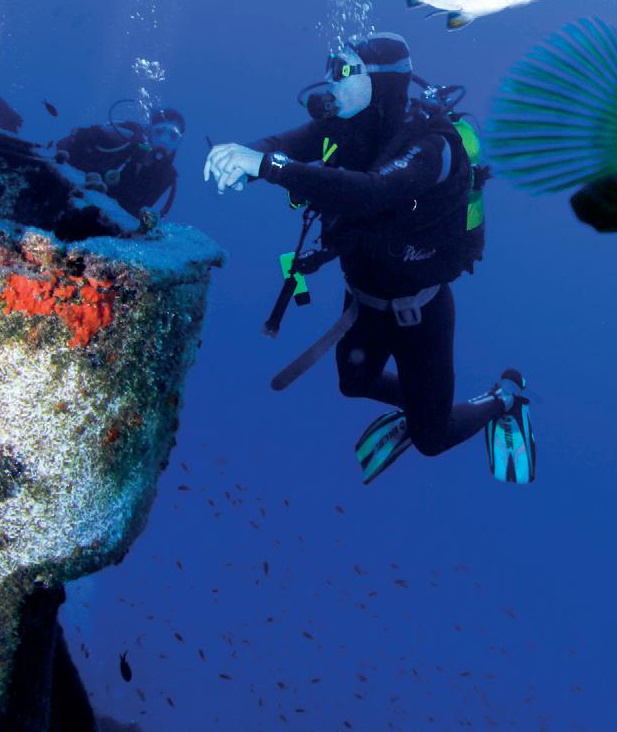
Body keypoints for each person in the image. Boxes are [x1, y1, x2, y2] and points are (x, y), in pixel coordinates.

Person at [204, 32, 534, 484]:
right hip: (363, 298)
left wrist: (266, 167)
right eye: (329, 68)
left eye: (342, 71)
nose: (329, 81)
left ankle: (504, 399)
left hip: (420, 311)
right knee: (354, 383)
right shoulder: (343, 128)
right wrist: (241, 160)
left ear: (382, 79)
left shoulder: (432, 144)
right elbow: (282, 142)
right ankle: (422, 406)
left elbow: (374, 193)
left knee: (432, 439)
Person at [54, 106, 185, 224]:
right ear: (149, 131)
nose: (164, 141)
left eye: (173, 137)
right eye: (159, 132)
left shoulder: (166, 177)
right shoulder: (125, 140)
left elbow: (139, 214)